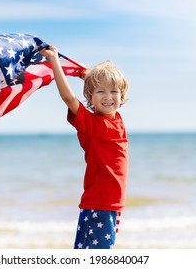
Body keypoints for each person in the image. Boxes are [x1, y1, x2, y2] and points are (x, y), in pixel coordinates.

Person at [40, 45, 129, 249]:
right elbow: (69, 98)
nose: (108, 97)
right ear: (90, 97)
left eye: (113, 92)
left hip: (112, 207)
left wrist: (88, 77)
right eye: (101, 92)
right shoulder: (91, 124)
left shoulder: (116, 119)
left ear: (121, 96)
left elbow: (106, 89)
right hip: (98, 206)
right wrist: (54, 61)